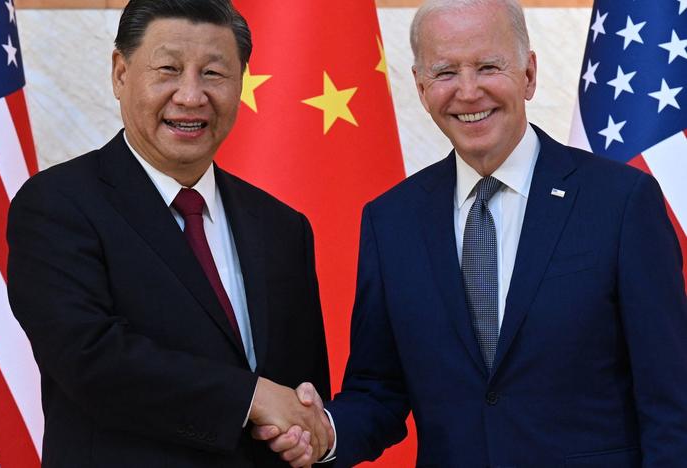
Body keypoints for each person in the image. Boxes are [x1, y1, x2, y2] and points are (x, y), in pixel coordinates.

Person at [255, 0, 687, 466]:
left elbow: (671, 398)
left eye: (487, 66)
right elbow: (379, 389)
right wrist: (324, 433)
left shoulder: (621, 201)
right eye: (445, 73)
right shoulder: (391, 220)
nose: (468, 91)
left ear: (528, 74)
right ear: (421, 88)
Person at [6, 0, 334, 466]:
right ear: (120, 73)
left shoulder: (282, 226)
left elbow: (300, 391)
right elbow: (91, 360)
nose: (191, 96)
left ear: (242, 82)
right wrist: (249, 398)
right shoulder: (57, 205)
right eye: (169, 69)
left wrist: (307, 435)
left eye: (214, 74)